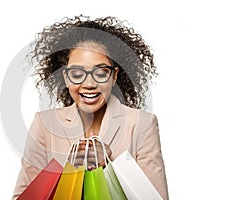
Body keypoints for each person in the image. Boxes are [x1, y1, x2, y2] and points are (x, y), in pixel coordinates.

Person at [12, 15, 169, 200]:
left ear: (114, 76)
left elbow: (156, 198)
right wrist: (66, 174)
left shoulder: (142, 124)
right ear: (66, 77)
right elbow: (23, 198)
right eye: (77, 73)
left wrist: (110, 166)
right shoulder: (44, 124)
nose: (89, 84)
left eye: (101, 72)